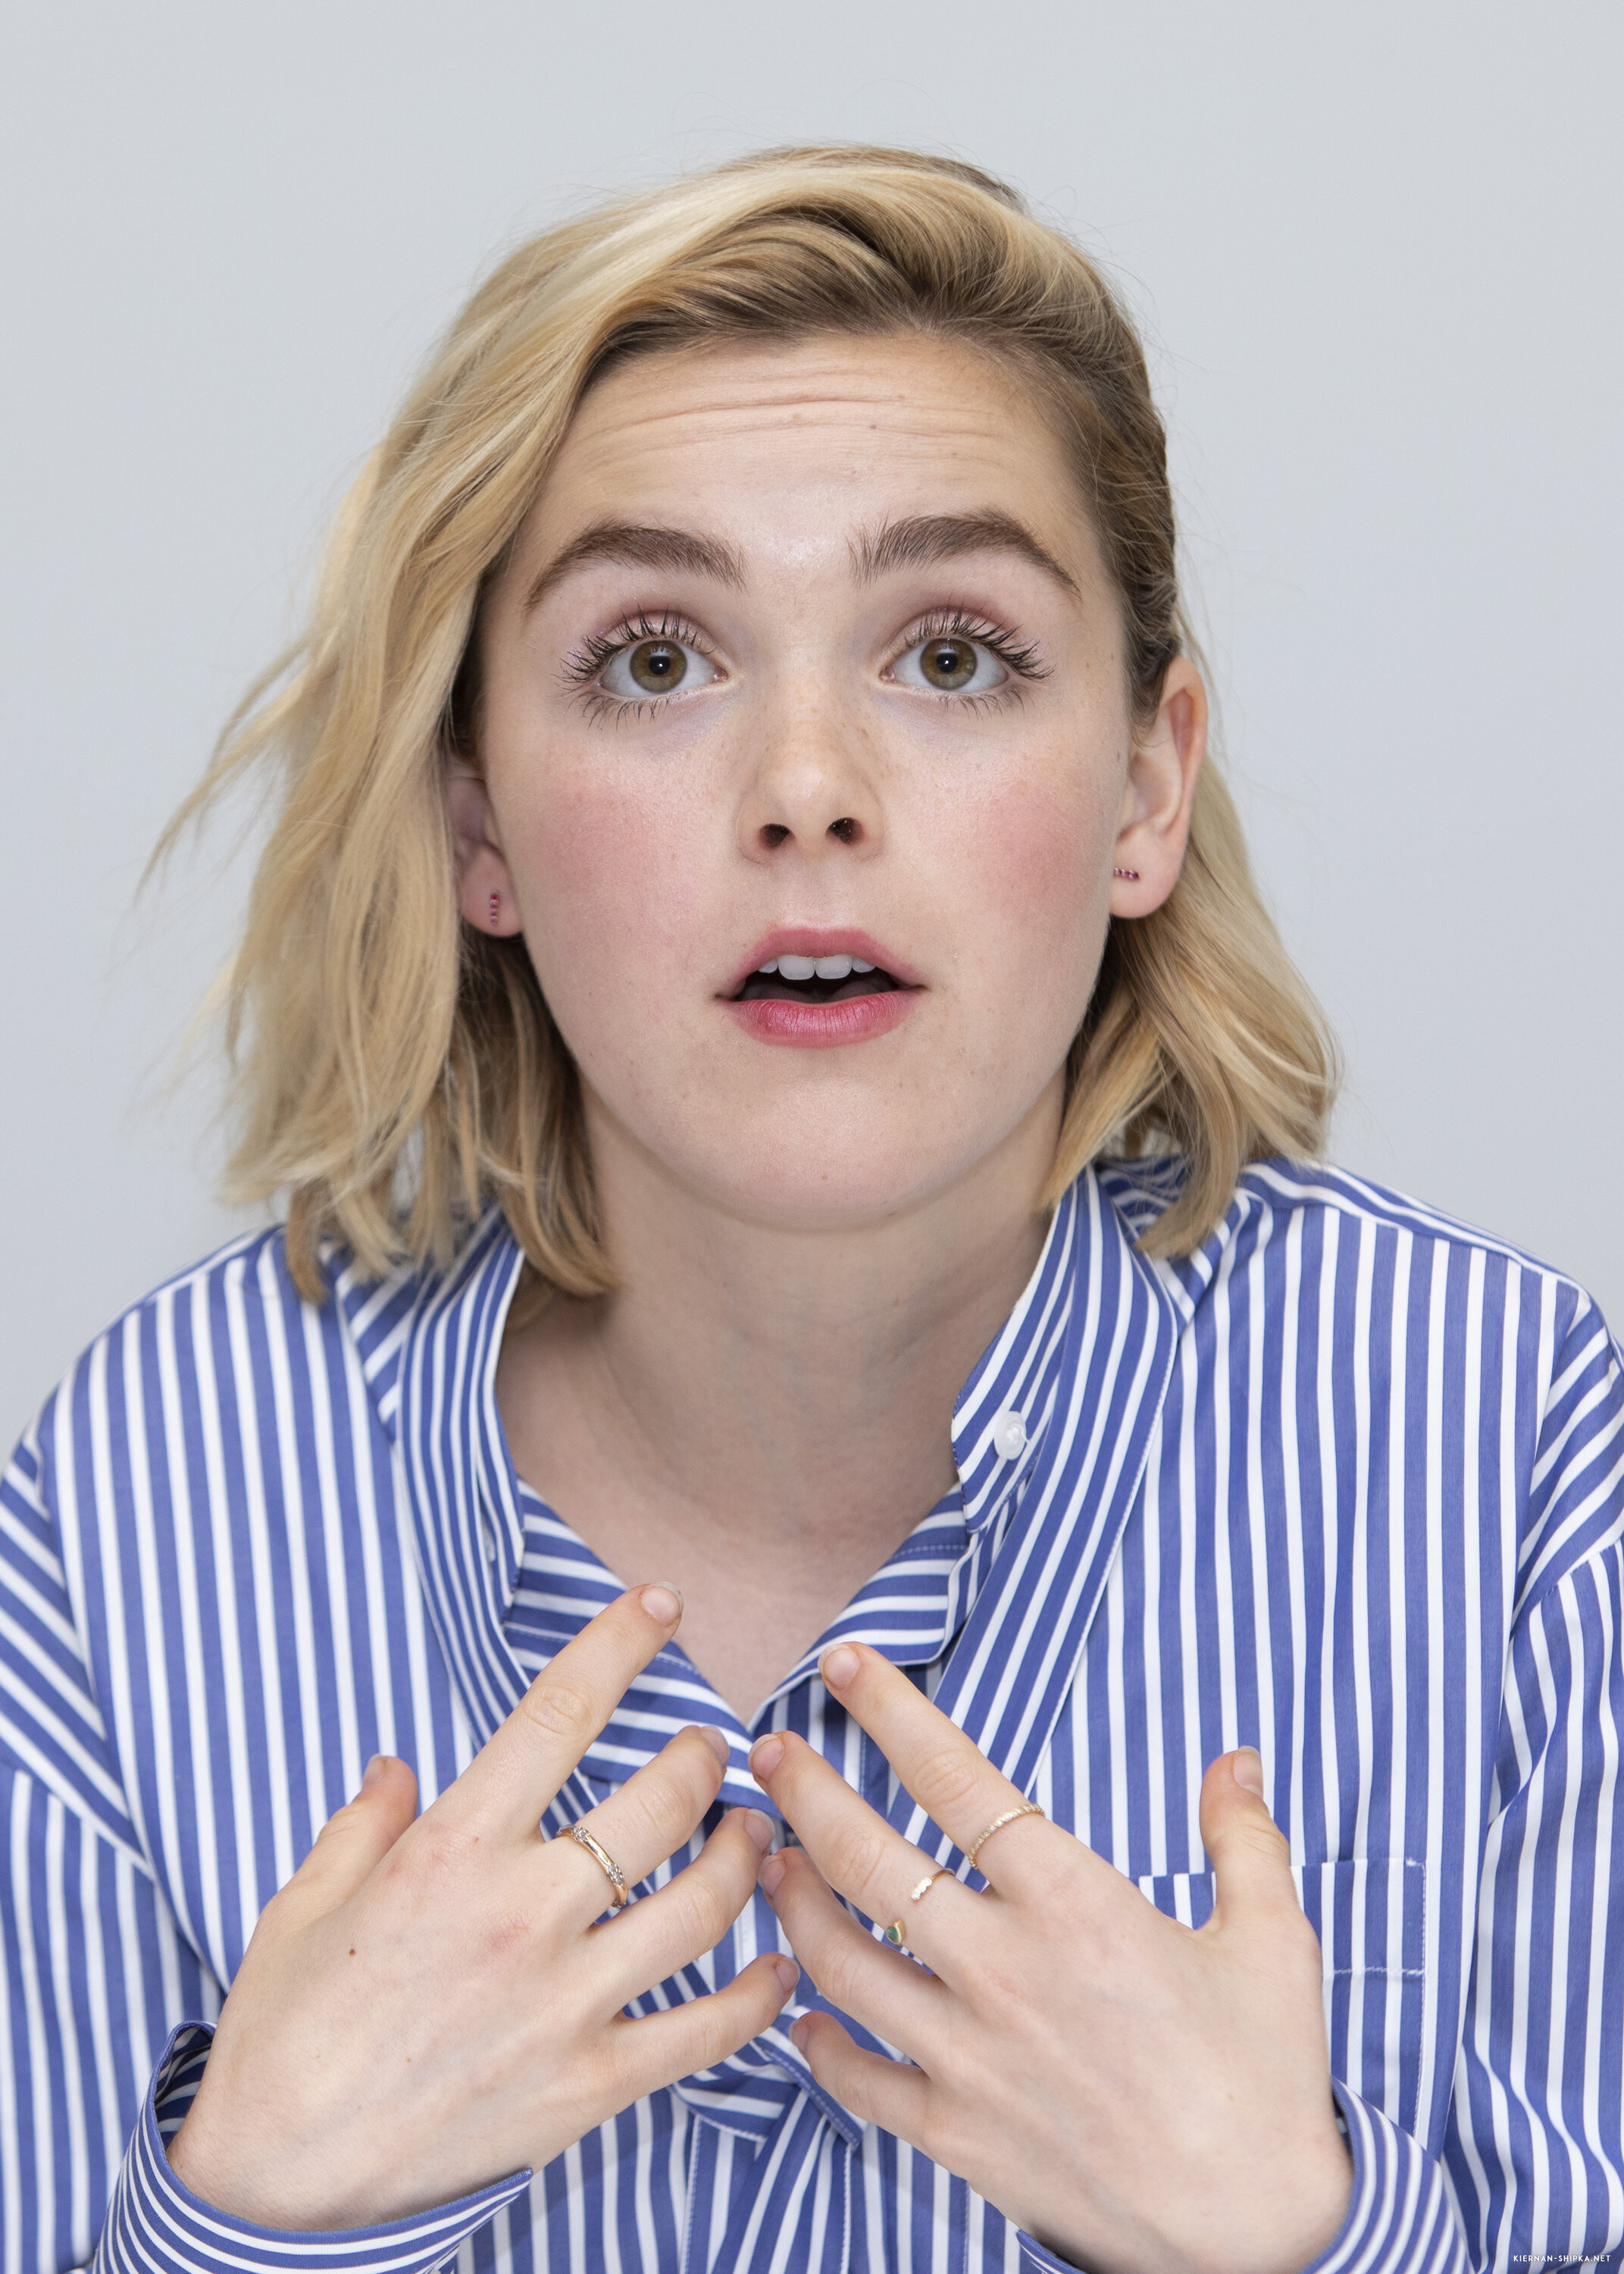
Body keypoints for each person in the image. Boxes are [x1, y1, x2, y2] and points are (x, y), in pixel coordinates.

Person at [2, 143, 1619, 2274]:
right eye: (652, 660)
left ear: (1145, 787)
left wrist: (1294, 2239)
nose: (805, 789)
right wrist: (243, 2217)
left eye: (950, 655)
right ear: (478, 821)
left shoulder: (1507, 1449)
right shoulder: (146, 1494)